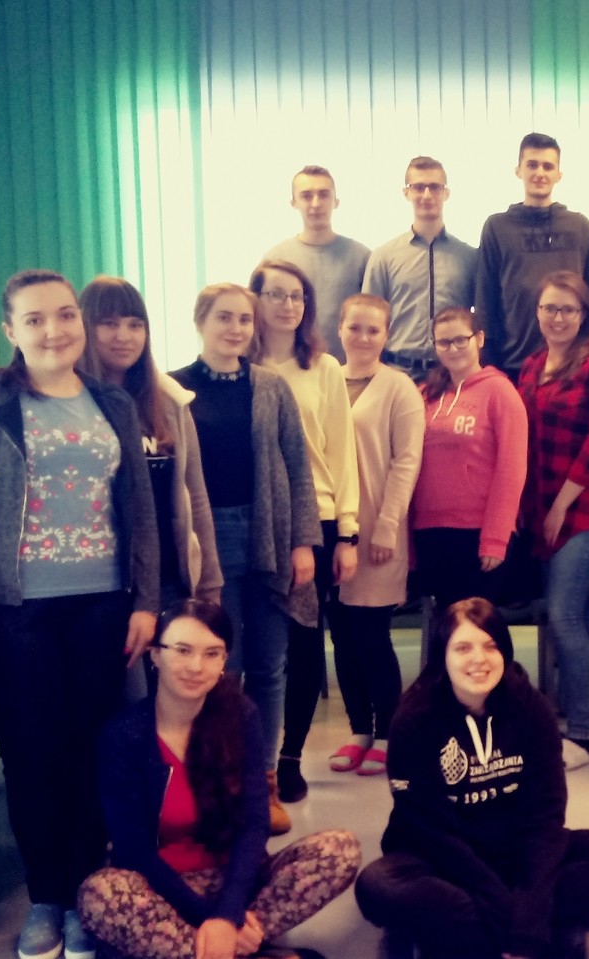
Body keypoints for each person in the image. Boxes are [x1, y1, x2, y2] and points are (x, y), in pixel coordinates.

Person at [0, 269, 160, 959]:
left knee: (94, 747)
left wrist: (147, 600)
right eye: (34, 319)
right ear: (10, 330)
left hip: (104, 601)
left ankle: (85, 895)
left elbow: (141, 510)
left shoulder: (111, 401)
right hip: (20, 609)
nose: (54, 330)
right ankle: (45, 898)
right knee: (34, 752)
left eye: (65, 315)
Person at [355, 598, 589, 959]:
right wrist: (523, 923)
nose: (479, 659)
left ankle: (448, 939)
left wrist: (527, 907)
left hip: (514, 853)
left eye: (491, 646)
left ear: (505, 652)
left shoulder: (531, 707)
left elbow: (544, 818)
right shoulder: (414, 718)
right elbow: (431, 832)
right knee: (377, 886)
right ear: (441, 656)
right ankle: (556, 936)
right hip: (443, 860)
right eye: (463, 648)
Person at [79, 601, 361, 959]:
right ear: (155, 655)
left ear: (224, 660)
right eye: (182, 650)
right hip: (161, 893)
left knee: (338, 849)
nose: (196, 666)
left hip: (236, 885)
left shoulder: (240, 716)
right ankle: (238, 949)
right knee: (100, 894)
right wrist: (211, 918)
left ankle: (212, 948)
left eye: (211, 653)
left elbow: (255, 823)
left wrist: (228, 913)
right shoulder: (124, 736)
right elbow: (134, 850)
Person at [169, 283, 320, 836]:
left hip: (269, 536)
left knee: (269, 666)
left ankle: (263, 784)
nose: (236, 329)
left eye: (244, 320)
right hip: (207, 540)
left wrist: (303, 542)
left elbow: (298, 468)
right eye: (224, 318)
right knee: (218, 668)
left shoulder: (271, 386)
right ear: (200, 321)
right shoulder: (173, 390)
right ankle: (220, 782)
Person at [249, 259, 361, 808]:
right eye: (276, 294)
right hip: (251, 519)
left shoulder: (324, 368)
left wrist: (348, 532)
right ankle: (249, 761)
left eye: (297, 296)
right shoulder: (238, 367)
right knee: (253, 647)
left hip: (313, 519)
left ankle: (289, 758)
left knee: (303, 643)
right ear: (255, 300)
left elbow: (342, 451)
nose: (288, 305)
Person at [518, 271, 589, 769]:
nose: (557, 317)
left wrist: (563, 503)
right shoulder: (531, 366)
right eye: (549, 308)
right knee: (578, 614)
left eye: (567, 309)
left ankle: (579, 734)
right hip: (542, 505)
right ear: (538, 313)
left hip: (587, 506)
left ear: (584, 315)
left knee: (564, 615)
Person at [325, 295, 425, 777]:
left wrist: (387, 526)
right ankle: (358, 730)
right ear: (340, 328)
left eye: (373, 330)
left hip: (377, 531)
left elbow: (407, 462)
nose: (363, 337)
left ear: (386, 334)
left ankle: (388, 732)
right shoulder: (326, 379)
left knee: (371, 636)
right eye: (355, 328)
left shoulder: (398, 387)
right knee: (342, 637)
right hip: (331, 529)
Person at [79, 275, 222, 610]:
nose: (124, 336)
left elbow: (195, 495)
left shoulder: (170, 401)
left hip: (169, 579)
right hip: (101, 583)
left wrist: (210, 581)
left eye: (135, 324)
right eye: (109, 324)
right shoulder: (73, 403)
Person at [411, 306, 529, 610]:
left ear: (479, 339)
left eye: (460, 340)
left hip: (477, 532)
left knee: (476, 626)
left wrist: (496, 538)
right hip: (430, 531)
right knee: (444, 627)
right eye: (444, 342)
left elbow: (512, 470)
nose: (453, 349)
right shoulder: (424, 395)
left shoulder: (500, 391)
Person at [476, 132, 589, 379]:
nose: (540, 173)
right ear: (518, 171)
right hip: (513, 363)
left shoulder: (579, 226)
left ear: (559, 175)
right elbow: (485, 298)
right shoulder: (497, 227)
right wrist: (489, 361)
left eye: (548, 166)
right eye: (532, 164)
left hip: (573, 363)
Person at [361, 156, 477, 380]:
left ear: (446, 193)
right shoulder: (384, 256)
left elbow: (480, 318)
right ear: (406, 193)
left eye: (434, 187)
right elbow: (369, 320)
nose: (427, 195)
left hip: (452, 374)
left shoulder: (469, 257)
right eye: (418, 187)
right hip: (397, 372)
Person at [262, 164, 371, 362]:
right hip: (292, 365)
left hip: (349, 367)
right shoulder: (276, 259)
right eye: (306, 196)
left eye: (323, 195)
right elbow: (262, 316)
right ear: (293, 203)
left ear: (335, 201)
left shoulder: (361, 257)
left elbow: (374, 317)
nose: (316, 203)